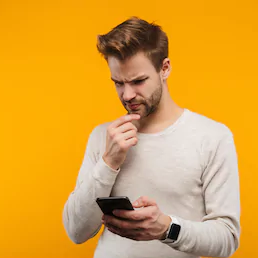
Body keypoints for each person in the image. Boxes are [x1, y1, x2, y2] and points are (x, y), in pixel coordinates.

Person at [62, 16, 241, 258]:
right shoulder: (104, 137)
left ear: (164, 68)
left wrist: (167, 228)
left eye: (138, 81)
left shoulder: (212, 137)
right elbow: (76, 231)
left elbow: (227, 238)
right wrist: (108, 163)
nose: (127, 95)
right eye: (118, 83)